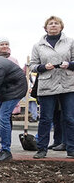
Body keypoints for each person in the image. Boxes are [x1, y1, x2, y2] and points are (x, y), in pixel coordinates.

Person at [29, 16, 74, 159]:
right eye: (50, 24)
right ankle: (42, 149)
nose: (53, 26)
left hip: (67, 84)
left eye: (56, 24)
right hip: (47, 85)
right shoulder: (38, 46)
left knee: (69, 118)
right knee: (45, 119)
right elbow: (32, 66)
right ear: (45, 28)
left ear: (61, 27)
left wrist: (70, 65)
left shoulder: (70, 42)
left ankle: (71, 148)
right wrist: (43, 67)